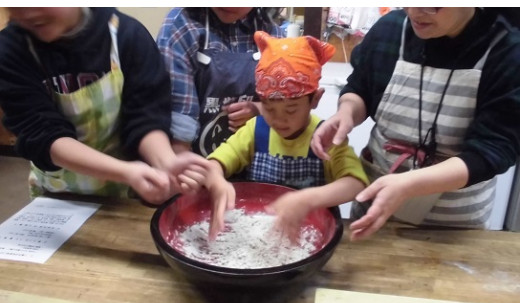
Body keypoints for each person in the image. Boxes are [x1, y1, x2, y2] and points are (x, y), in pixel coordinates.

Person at [311, 8, 520, 241]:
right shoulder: (391, 30)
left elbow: (492, 150)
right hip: (373, 213)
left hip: (451, 227)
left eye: (433, 5)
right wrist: (347, 112)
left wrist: (409, 184)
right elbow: (360, 88)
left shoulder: (507, 50)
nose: (415, 11)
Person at [0, 8, 211, 205]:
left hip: (123, 197)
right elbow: (44, 134)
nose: (28, 10)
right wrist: (126, 171)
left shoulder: (127, 36)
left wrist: (165, 162)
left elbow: (145, 118)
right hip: (58, 194)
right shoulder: (10, 51)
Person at [204, 31, 370, 241]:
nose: (279, 120)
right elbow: (213, 165)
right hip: (256, 228)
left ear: (315, 99)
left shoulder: (327, 138)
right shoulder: (255, 130)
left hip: (308, 234)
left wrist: (307, 199)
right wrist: (217, 181)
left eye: (291, 110)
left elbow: (356, 184)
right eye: (269, 108)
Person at [156, 7, 283, 157]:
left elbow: (288, 108)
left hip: (254, 163)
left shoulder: (272, 33)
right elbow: (179, 126)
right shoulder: (181, 26)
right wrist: (184, 167)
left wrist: (260, 109)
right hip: (193, 157)